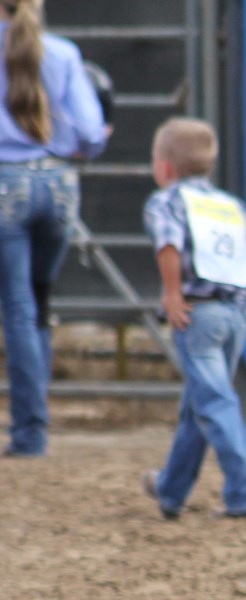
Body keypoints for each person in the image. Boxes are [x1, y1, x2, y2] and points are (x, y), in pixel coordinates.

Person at [138, 118, 246, 520]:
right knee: (199, 404)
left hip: (198, 313)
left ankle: (245, 493)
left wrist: (173, 294)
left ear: (165, 167)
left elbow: (168, 244)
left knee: (214, 401)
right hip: (235, 314)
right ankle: (170, 491)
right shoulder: (232, 206)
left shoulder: (167, 201)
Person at [0, 0, 107, 459]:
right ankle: (34, 425)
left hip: (6, 184)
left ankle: (31, 433)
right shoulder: (62, 53)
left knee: (19, 310)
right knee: (39, 304)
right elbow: (90, 128)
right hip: (60, 184)